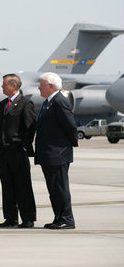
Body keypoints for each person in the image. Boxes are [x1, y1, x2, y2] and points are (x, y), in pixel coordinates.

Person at [35, 72, 77, 229]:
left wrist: (72, 143)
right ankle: (59, 217)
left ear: (50, 86)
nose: (39, 87)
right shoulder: (49, 102)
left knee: (60, 188)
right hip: (49, 154)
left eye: (41, 84)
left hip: (58, 153)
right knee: (53, 189)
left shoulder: (59, 101)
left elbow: (70, 125)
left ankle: (67, 218)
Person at [0, 74, 37, 228]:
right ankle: (11, 218)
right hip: (3, 152)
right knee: (7, 186)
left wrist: (25, 147)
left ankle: (28, 218)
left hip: (18, 151)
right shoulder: (4, 103)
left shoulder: (25, 103)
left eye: (4, 84)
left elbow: (30, 127)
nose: (2, 87)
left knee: (23, 185)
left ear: (13, 86)